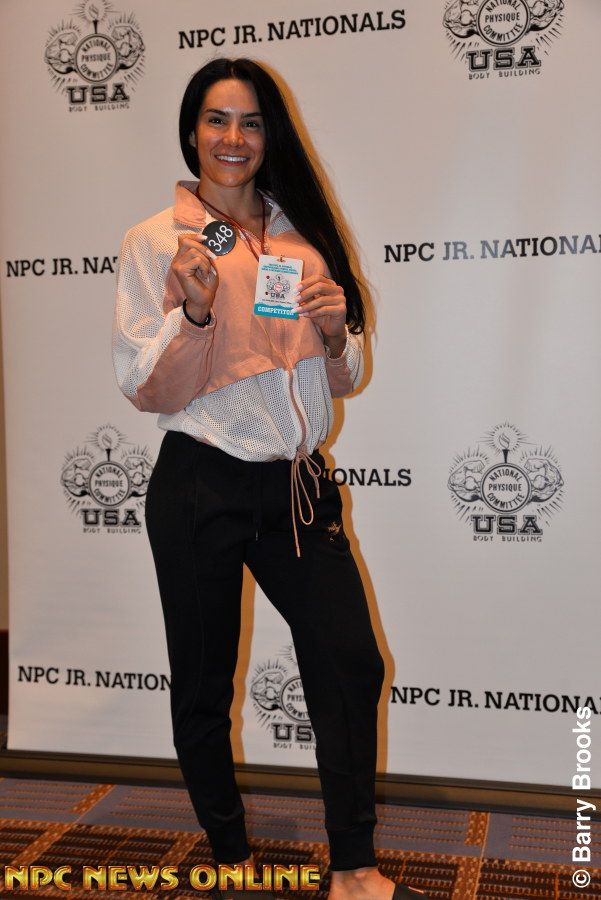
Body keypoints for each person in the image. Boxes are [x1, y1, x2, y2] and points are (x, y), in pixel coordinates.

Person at [113, 58, 427, 900]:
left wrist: (335, 337)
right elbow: (146, 387)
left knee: (350, 664)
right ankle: (228, 855)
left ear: (269, 135)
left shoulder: (298, 234)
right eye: (217, 120)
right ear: (191, 131)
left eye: (250, 122)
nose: (233, 138)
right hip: (201, 483)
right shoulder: (156, 242)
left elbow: (343, 377)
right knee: (204, 684)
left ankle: (352, 868)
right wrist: (195, 314)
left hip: (294, 486)